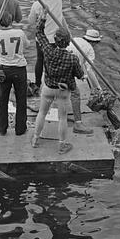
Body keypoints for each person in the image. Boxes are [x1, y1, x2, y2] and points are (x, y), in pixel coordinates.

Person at [31, 14, 84, 155]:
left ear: (55, 39)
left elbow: (39, 33)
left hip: (48, 88)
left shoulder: (48, 51)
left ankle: (35, 139)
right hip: (63, 91)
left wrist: (43, 18)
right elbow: (80, 74)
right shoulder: (72, 58)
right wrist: (81, 73)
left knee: (42, 113)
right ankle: (62, 145)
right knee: (62, 118)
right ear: (68, 42)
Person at [26, 0, 64, 94]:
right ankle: (52, 83)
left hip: (42, 38)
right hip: (56, 38)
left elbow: (30, 21)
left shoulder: (37, 4)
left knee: (40, 59)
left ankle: (38, 83)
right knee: (53, 61)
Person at [65, 28, 102, 134]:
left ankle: (56, 114)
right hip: (69, 70)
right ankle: (78, 123)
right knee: (75, 93)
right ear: (94, 42)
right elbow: (90, 71)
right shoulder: (90, 49)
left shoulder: (75, 40)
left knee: (61, 92)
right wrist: (98, 88)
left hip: (58, 66)